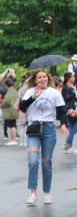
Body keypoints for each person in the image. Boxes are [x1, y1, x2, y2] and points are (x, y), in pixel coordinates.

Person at [19, 69, 68, 205]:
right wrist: (33, 97)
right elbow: (22, 107)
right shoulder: (30, 92)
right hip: (34, 128)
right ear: (35, 80)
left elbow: (62, 111)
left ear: (48, 79)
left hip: (49, 128)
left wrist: (63, 124)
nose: (42, 79)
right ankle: (33, 193)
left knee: (46, 161)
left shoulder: (55, 93)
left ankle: (47, 193)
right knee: (33, 161)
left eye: (44, 77)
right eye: (39, 77)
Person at [60, 72, 77, 153]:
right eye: (73, 77)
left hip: (74, 109)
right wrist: (73, 92)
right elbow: (65, 98)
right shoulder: (66, 88)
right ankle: (68, 145)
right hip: (69, 110)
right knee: (72, 127)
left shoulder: (71, 87)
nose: (74, 78)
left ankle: (67, 143)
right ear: (69, 78)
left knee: (74, 128)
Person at [1, 78, 20, 146]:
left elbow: (7, 101)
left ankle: (13, 140)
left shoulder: (9, 92)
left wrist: (2, 104)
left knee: (12, 126)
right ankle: (13, 139)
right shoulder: (15, 91)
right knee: (13, 125)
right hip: (14, 110)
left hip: (10, 111)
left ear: (6, 85)